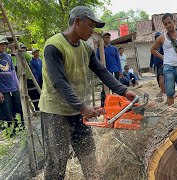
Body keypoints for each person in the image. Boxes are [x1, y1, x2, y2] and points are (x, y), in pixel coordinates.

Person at [39, 6, 136, 179]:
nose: (93, 30)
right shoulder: (54, 46)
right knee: (56, 163)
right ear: (77, 22)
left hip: (78, 112)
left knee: (90, 158)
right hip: (56, 113)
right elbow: (58, 81)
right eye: (90, 25)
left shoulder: (86, 48)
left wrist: (123, 91)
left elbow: (102, 71)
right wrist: (82, 106)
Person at [151, 13, 177, 110]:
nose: (168, 25)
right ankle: (171, 113)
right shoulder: (162, 37)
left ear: (174, 22)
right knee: (170, 92)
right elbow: (153, 50)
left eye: (169, 22)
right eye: (165, 24)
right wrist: (163, 57)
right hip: (168, 68)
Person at [0, 35, 24, 126]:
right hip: (3, 89)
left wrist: (18, 87)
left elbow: (13, 72)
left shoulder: (8, 56)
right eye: (1, 44)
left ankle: (20, 127)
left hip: (13, 87)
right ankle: (10, 130)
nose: (3, 46)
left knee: (18, 107)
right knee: (6, 110)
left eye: (4, 44)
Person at [96, 31, 123, 107]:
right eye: (106, 37)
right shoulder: (100, 49)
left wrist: (120, 70)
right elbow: (97, 59)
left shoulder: (114, 48)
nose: (107, 39)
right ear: (103, 38)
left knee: (116, 87)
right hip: (106, 71)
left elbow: (118, 60)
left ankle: (116, 104)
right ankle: (103, 104)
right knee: (105, 88)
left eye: (108, 37)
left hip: (115, 70)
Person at [149, 32, 165, 97]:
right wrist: (150, 65)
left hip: (162, 64)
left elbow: (166, 55)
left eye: (159, 37)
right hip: (156, 65)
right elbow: (152, 57)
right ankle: (163, 90)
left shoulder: (163, 46)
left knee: (161, 77)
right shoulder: (154, 46)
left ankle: (162, 91)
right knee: (158, 78)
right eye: (156, 37)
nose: (158, 38)